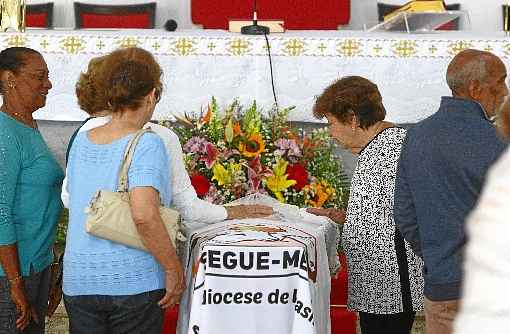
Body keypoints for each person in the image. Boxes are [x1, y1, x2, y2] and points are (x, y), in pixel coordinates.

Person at [61, 47, 273, 222]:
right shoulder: (159, 137)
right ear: (152, 94)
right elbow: (183, 208)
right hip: (135, 256)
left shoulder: (86, 132)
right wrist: (233, 212)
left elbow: (69, 198)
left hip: (83, 253)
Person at [63, 50, 185, 333]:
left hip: (80, 278)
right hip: (133, 281)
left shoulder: (82, 140)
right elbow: (143, 215)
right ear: (152, 95)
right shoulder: (147, 143)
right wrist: (171, 267)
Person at [394, 49, 508, 334]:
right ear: (475, 88)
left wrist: (437, 254)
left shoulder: (417, 136)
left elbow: (404, 214)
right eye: (501, 81)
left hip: (443, 283)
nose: (505, 91)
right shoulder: (499, 141)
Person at [308, 76, 424, 334]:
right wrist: (342, 216)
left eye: (331, 123)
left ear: (352, 118)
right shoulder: (380, 146)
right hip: (381, 283)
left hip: (389, 284)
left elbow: (403, 218)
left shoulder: (387, 150)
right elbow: (383, 212)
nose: (330, 133)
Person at [0, 47, 64, 333]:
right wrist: (15, 284)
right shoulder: (4, 132)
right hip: (10, 275)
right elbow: (1, 213)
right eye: (40, 77)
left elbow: (38, 204)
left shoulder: (26, 125)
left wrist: (49, 269)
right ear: (9, 78)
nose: (48, 84)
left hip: (33, 266)